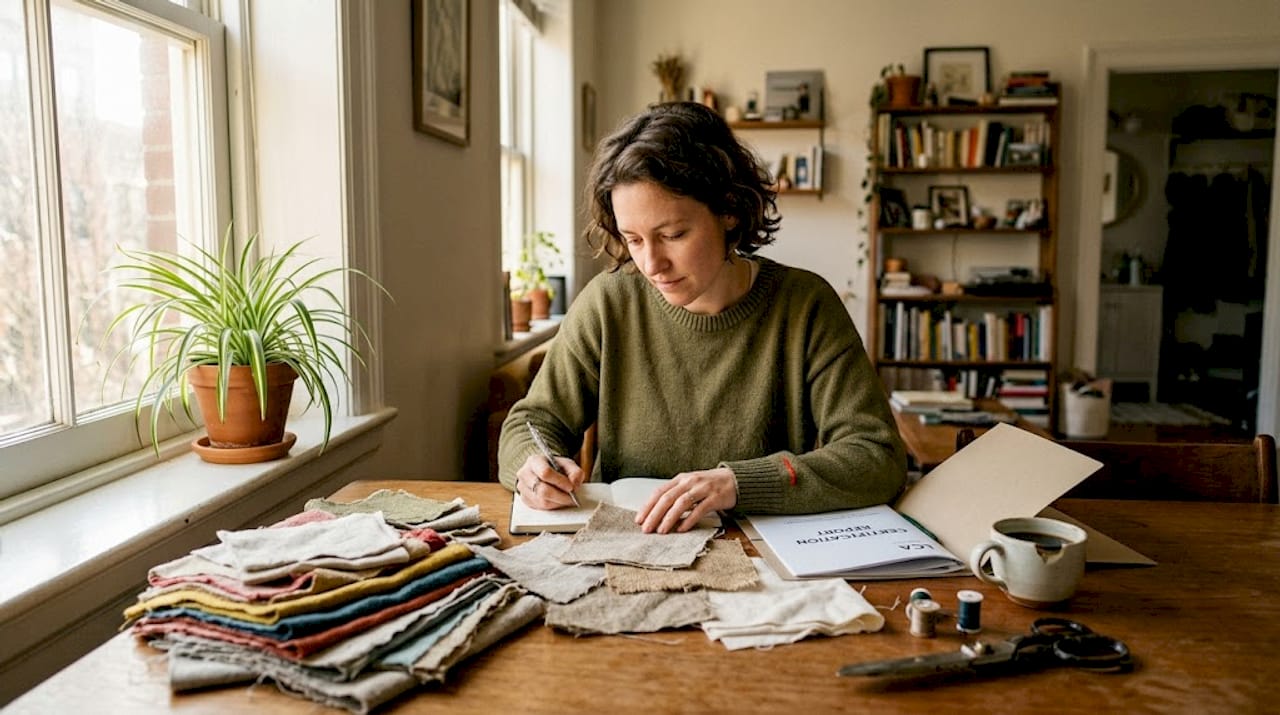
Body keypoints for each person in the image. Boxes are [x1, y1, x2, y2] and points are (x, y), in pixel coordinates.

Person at [498, 101, 906, 533]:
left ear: (729, 210)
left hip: (761, 553)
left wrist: (738, 483)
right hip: (623, 547)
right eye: (633, 239)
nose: (651, 263)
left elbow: (876, 455)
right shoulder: (608, 301)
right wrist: (531, 465)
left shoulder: (806, 306)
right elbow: (532, 422)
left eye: (672, 235)